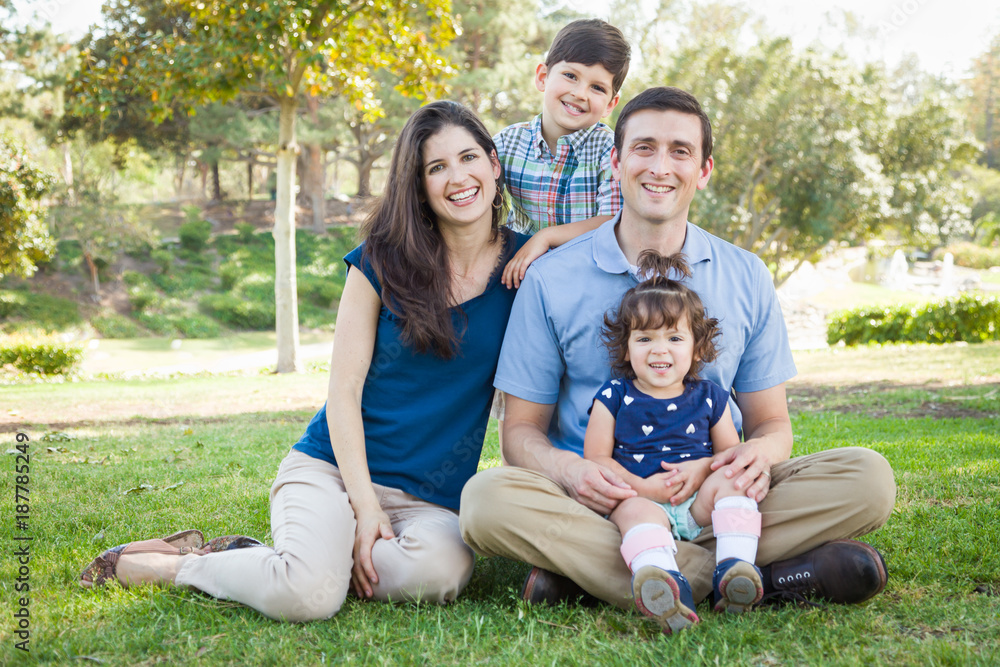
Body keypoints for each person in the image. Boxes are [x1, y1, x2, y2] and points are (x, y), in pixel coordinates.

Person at [79, 101, 530, 622]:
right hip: (333, 470)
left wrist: (551, 236)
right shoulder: (381, 261)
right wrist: (364, 506)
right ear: (419, 185)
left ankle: (285, 560)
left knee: (439, 573)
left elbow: (603, 233)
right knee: (308, 597)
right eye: (437, 167)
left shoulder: (525, 269)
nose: (458, 178)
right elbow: (343, 391)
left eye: (469, 158)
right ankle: (176, 565)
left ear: (493, 163)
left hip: (430, 502)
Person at [460, 87, 896, 624]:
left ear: (704, 170)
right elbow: (520, 432)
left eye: (680, 151)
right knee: (486, 501)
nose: (660, 167)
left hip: (718, 498)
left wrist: (754, 458)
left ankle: (605, 575)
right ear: (616, 162)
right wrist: (570, 472)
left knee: (868, 479)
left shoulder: (746, 274)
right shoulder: (550, 278)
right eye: (644, 147)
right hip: (599, 505)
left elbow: (771, 423)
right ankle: (756, 575)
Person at [583, 252, 765, 634]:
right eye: (644, 338)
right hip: (640, 499)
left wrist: (702, 469)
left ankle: (734, 569)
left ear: (697, 347)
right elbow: (596, 459)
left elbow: (729, 456)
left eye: (675, 338)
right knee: (634, 513)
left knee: (735, 481)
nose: (659, 349)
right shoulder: (614, 395)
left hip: (698, 504)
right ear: (626, 347)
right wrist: (642, 489)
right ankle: (665, 583)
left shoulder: (710, 396)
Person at [495, 18, 631, 288]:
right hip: (518, 277)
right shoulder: (508, 143)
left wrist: (546, 237)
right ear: (542, 77)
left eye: (597, 88)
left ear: (610, 104)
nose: (580, 93)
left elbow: (613, 222)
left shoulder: (610, 151)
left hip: (587, 281)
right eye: (570, 76)